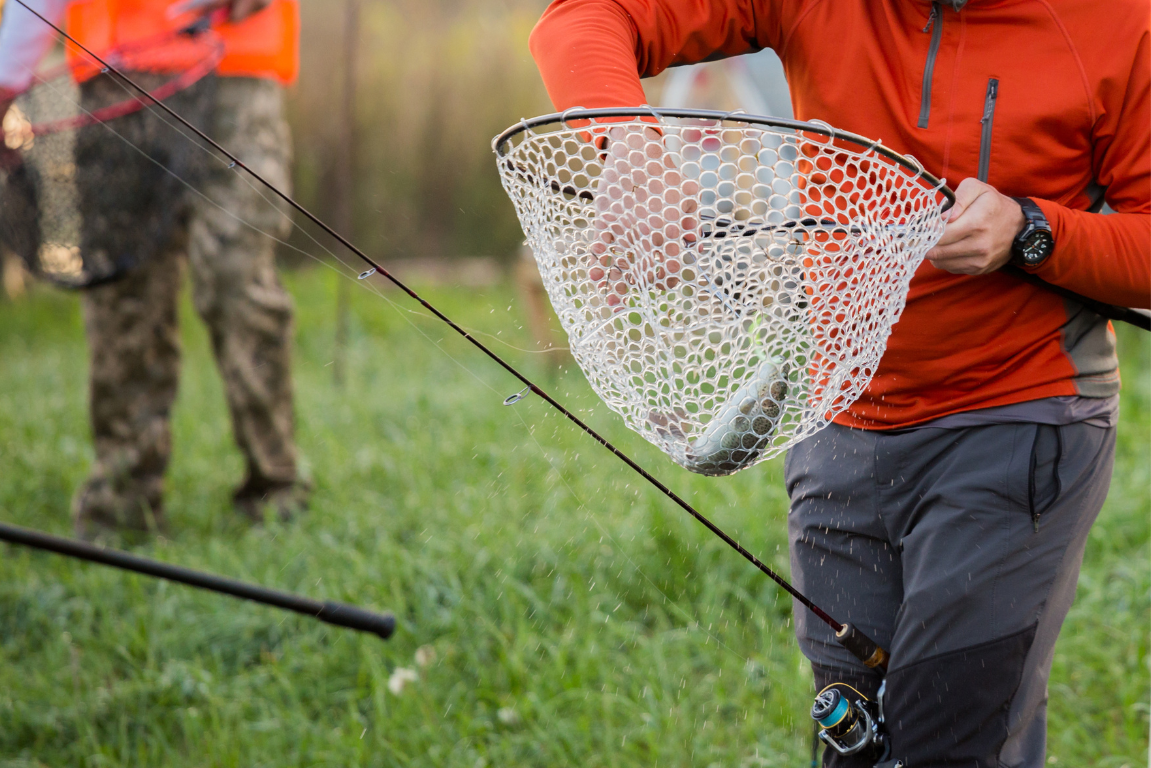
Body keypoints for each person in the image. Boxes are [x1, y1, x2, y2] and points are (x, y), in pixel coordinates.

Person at [528, 0, 1149, 765]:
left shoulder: (1118, 22)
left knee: (951, 738)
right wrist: (629, 143)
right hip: (838, 424)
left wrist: (1030, 229)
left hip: (1018, 417)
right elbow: (584, 18)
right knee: (850, 737)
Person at [0, 0, 308, 539]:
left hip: (235, 67)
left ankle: (277, 487)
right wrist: (7, 74)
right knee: (124, 294)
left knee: (237, 281)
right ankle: (123, 504)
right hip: (115, 73)